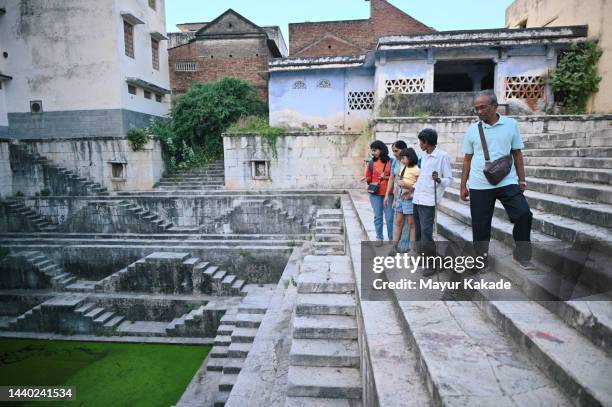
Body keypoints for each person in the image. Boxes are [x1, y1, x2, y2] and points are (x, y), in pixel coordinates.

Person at [459, 90, 534, 270]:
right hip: (479, 183)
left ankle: (521, 254)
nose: (479, 112)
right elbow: (467, 158)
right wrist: (463, 185)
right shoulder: (472, 130)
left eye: (483, 107)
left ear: (494, 106)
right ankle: (481, 260)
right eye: (476, 108)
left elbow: (517, 153)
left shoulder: (511, 125)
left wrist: (522, 180)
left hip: (507, 180)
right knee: (480, 224)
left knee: (524, 214)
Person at [412, 128, 452, 276]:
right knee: (418, 232)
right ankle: (425, 257)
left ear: (426, 142)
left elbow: (448, 179)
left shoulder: (442, 156)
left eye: (421, 142)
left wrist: (439, 179)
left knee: (427, 233)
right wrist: (412, 189)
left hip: (429, 200)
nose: (419, 144)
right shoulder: (424, 156)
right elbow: (422, 178)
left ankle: (432, 264)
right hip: (417, 198)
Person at [362, 140, 394, 244]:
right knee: (378, 217)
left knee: (389, 217)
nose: (373, 152)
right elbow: (369, 177)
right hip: (375, 194)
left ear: (381, 149)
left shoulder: (392, 162)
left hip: (388, 193)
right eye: (372, 150)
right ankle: (379, 238)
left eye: (375, 150)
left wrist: (386, 177)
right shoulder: (371, 162)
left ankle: (391, 238)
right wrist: (366, 178)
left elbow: (396, 178)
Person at [390, 147, 420, 254]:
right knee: (398, 222)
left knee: (411, 224)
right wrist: (395, 198)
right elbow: (398, 183)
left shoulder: (416, 170)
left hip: (409, 199)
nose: (402, 160)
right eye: (401, 158)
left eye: (404, 158)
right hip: (400, 197)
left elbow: (419, 185)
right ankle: (394, 246)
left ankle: (413, 248)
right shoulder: (404, 167)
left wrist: (408, 186)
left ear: (410, 157)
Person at [384, 141, 411, 252]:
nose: (394, 153)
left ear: (404, 149)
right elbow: (392, 179)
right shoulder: (395, 161)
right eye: (393, 151)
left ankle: (404, 247)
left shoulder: (411, 161)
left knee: (408, 223)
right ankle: (395, 246)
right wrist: (387, 196)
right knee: (398, 221)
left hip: (409, 195)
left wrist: (409, 191)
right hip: (398, 194)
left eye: (396, 150)